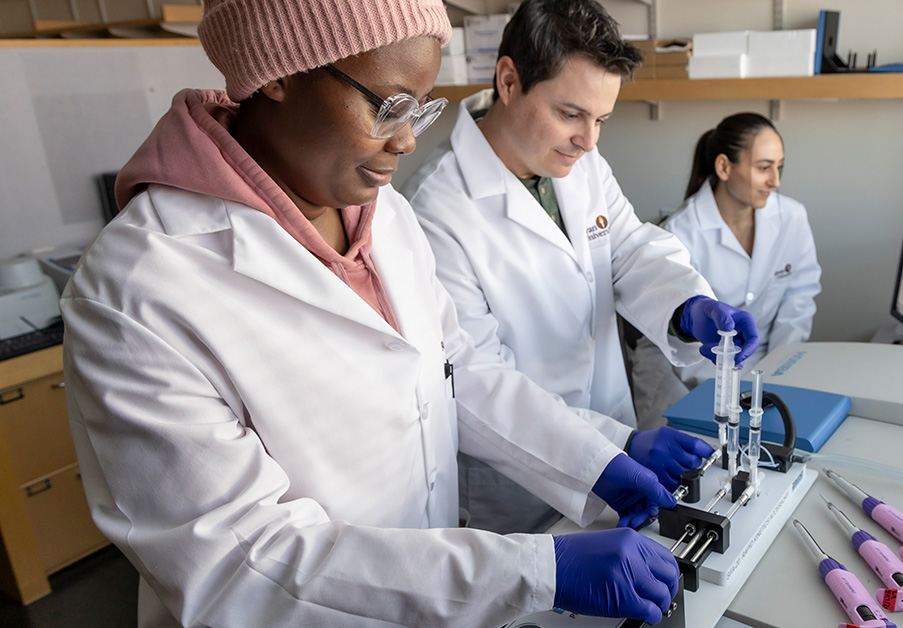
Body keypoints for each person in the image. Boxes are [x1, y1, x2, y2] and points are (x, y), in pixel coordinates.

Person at [61, 1, 689, 626]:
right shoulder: (138, 289)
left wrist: (599, 459)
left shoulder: (383, 214)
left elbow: (455, 373)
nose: (408, 138)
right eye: (388, 105)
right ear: (278, 72)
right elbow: (241, 563)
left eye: (420, 106)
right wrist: (532, 572)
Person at [402, 0, 759, 535]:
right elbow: (477, 383)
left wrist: (688, 306)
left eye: (601, 120)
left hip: (616, 444)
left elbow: (629, 247)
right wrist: (612, 450)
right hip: (525, 485)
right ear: (508, 80)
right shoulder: (437, 209)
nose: (589, 140)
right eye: (570, 114)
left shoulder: (580, 162)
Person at [631, 113, 822, 427]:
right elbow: (685, 345)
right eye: (764, 167)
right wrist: (733, 393)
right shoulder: (681, 232)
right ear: (723, 167)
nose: (776, 181)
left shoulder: (792, 218)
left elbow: (799, 301)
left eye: (779, 166)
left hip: (761, 364)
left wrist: (777, 376)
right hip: (679, 369)